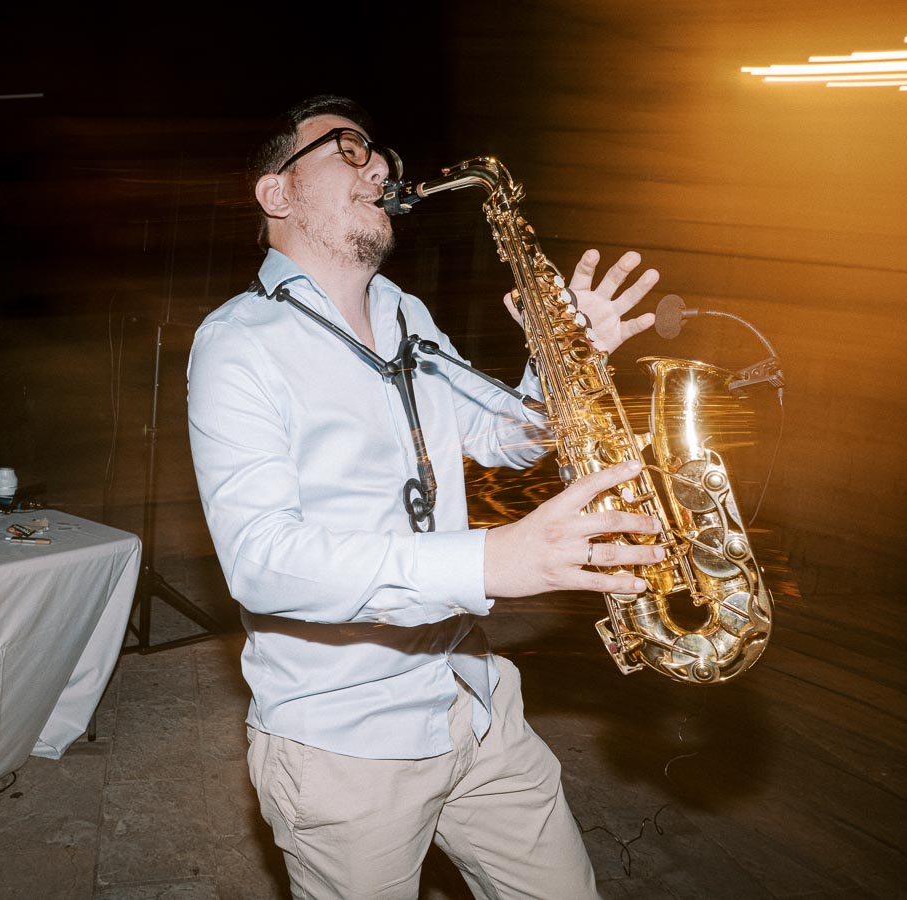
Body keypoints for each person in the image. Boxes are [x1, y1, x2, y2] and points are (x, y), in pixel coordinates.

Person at [186, 94, 665, 900]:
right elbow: (263, 563)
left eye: (378, 152)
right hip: (345, 745)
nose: (378, 164)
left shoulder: (404, 311)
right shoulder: (238, 343)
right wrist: (491, 558)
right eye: (347, 149)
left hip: (475, 703)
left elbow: (503, 437)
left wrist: (567, 365)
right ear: (277, 194)